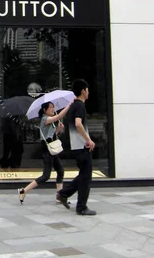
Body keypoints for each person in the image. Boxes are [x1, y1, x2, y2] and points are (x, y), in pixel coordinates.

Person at [17, 100, 72, 204]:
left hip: (52, 150)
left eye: (53, 107)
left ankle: (59, 196)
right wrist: (69, 105)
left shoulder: (49, 121)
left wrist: (59, 129)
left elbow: (51, 136)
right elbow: (59, 116)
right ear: (44, 110)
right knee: (46, 176)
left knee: (60, 171)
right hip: (47, 151)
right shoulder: (45, 119)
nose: (53, 109)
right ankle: (23, 190)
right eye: (50, 107)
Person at [56, 79, 96, 216]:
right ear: (83, 91)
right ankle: (81, 207)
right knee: (86, 177)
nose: (88, 92)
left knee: (84, 175)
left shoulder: (74, 106)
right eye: (87, 90)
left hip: (76, 147)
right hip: (82, 147)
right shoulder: (79, 106)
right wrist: (88, 140)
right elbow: (78, 124)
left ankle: (63, 193)